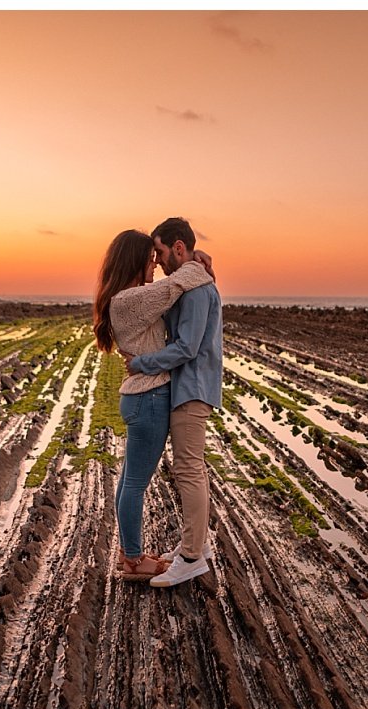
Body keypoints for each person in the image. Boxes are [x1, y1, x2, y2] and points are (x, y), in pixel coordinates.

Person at [92, 229, 214, 581]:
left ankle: (129, 554)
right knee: (134, 484)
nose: (156, 264)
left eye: (156, 256)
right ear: (133, 260)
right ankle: (132, 560)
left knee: (129, 480)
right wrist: (199, 259)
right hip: (149, 396)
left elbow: (178, 281)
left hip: (140, 396)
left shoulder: (125, 298)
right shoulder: (131, 299)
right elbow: (183, 281)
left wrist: (197, 256)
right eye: (150, 258)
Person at [125, 217, 222, 588]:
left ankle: (193, 557)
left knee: (187, 471)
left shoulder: (196, 290)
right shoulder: (190, 284)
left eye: (162, 252)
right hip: (188, 387)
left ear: (179, 248)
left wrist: (140, 364)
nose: (160, 260)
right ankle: (194, 545)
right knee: (191, 470)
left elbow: (187, 347)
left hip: (192, 388)